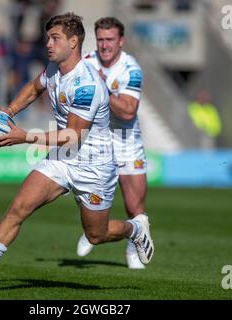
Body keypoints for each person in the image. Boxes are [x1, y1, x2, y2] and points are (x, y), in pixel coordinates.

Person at [0, 13, 154, 292]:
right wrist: (9, 111)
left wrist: (23, 136)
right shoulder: (53, 69)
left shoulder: (87, 85)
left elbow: (72, 134)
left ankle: (135, 229)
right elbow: (35, 87)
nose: (48, 43)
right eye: (48, 37)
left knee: (96, 234)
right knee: (18, 209)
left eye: (55, 38)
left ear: (74, 42)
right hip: (62, 160)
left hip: (93, 167)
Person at [77, 17, 152, 269]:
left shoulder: (131, 69)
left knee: (134, 206)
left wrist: (100, 86)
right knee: (80, 190)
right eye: (100, 39)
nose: (104, 45)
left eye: (110, 39)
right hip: (97, 141)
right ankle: (91, 229)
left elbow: (128, 111)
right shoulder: (85, 62)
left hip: (127, 141)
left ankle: (133, 246)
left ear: (121, 41)